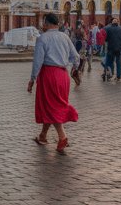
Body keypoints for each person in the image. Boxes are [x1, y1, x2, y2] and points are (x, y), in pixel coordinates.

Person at [29, 13, 80, 153]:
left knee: (52, 106)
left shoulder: (42, 38)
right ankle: (43, 135)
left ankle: (62, 136)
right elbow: (76, 56)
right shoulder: (65, 37)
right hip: (63, 75)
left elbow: (38, 61)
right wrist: (74, 68)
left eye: (43, 22)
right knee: (52, 104)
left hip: (49, 75)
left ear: (47, 23)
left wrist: (32, 79)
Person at [102, 17, 121, 81]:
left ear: (112, 23)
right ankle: (118, 77)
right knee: (118, 63)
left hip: (111, 48)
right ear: (118, 22)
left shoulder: (108, 29)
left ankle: (109, 74)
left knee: (109, 62)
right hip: (119, 49)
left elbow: (105, 38)